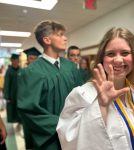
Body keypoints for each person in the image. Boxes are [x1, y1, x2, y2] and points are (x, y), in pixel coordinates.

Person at [57, 27, 134, 150]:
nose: (118, 60)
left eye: (125, 53)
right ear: (102, 59)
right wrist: (101, 106)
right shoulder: (82, 95)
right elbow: (70, 141)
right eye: (111, 54)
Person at [17, 20, 83, 150]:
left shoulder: (70, 66)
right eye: (60, 34)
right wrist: (62, 124)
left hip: (75, 132)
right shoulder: (32, 72)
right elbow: (29, 110)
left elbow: (81, 95)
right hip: (50, 138)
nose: (65, 38)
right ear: (47, 40)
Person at [3, 54, 21, 125]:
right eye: (14, 60)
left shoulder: (21, 70)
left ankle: (20, 123)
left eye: (17, 60)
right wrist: (7, 96)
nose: (16, 62)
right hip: (12, 94)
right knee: (12, 110)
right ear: (12, 61)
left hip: (20, 95)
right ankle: (16, 122)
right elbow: (6, 84)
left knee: (20, 110)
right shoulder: (9, 71)